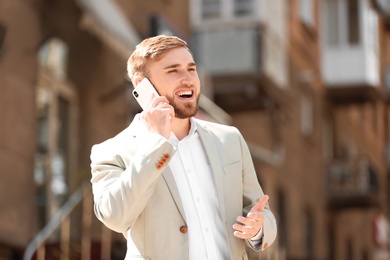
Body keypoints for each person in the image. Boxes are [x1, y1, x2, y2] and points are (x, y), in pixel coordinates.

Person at [90, 35, 277, 260]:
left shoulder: (229, 139)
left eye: (191, 69)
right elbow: (115, 216)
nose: (188, 79)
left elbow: (260, 211)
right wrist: (156, 144)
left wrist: (258, 228)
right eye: (173, 71)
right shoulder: (112, 151)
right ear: (143, 85)